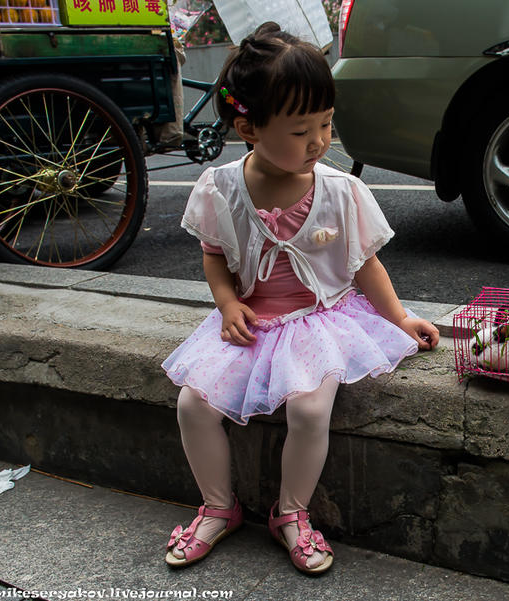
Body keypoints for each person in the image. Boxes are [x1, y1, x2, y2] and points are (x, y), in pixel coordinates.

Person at [160, 22, 440, 575]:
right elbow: (214, 254)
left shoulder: (339, 192)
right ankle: (219, 507)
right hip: (250, 322)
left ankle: (290, 514)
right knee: (193, 405)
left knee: (310, 409)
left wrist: (401, 317)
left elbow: (364, 265)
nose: (318, 141)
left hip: (320, 319)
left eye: (326, 124)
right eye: (299, 130)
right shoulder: (220, 187)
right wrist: (226, 302)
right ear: (248, 127)